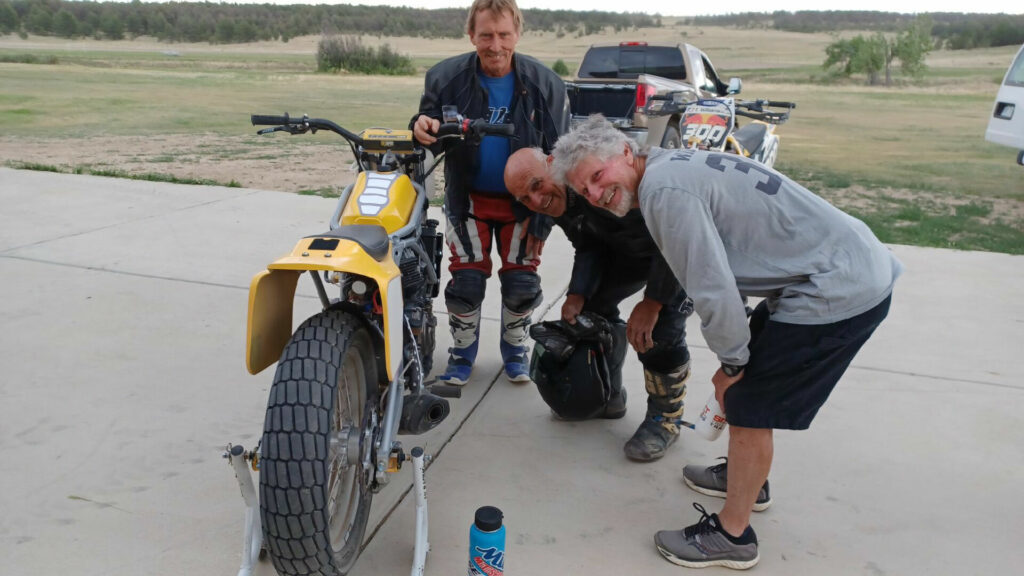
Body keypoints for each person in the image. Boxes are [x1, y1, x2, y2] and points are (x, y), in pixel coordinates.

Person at [551, 115, 902, 570]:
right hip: (837, 265)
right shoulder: (668, 167)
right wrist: (738, 356)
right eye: (585, 191)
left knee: (748, 403)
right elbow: (726, 266)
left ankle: (733, 534)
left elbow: (710, 287)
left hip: (836, 287)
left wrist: (733, 366)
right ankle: (747, 480)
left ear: (624, 152)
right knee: (745, 383)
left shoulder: (663, 193)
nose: (596, 195)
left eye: (597, 178)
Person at [411, 0, 569, 386]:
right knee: (465, 284)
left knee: (521, 285)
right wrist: (420, 125)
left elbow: (563, 157)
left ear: (517, 34)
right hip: (467, 200)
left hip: (524, 206)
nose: (495, 45)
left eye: (503, 34)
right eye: (486, 35)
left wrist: (544, 218)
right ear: (471, 35)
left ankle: (516, 350)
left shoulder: (546, 84)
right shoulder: (445, 77)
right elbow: (425, 129)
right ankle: (462, 355)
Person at [504, 148, 693, 462]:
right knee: (589, 312)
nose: (536, 201)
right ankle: (609, 396)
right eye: (524, 198)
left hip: (682, 250)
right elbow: (589, 241)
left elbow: (676, 235)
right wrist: (578, 292)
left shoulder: (596, 180)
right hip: (633, 251)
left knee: (660, 332)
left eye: (537, 185)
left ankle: (666, 418)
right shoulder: (562, 196)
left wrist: (653, 301)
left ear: (553, 164)